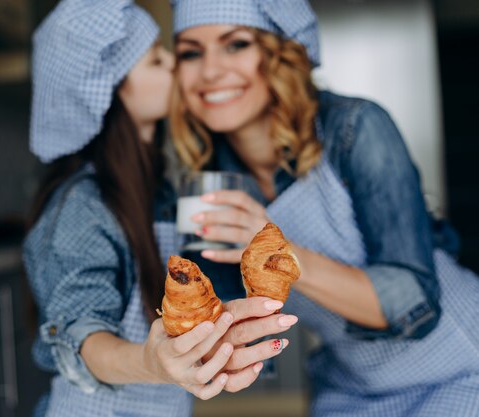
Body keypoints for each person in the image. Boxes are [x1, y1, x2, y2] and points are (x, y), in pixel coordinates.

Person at [168, 0, 479, 416]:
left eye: (236, 44)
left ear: (278, 54)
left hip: (460, 363)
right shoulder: (207, 177)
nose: (210, 70)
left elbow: (412, 305)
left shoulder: (355, 128)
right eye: (191, 52)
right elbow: (236, 330)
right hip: (352, 385)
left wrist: (278, 253)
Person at [23, 1, 299, 416]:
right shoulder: (83, 203)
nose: (174, 64)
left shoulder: (160, 188)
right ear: (110, 88)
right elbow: (82, 334)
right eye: (155, 59)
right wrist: (153, 362)